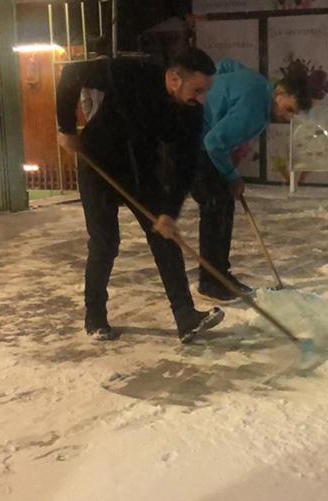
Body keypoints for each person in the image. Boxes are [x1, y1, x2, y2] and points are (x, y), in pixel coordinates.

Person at [56, 47, 224, 344]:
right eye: (198, 89)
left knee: (164, 237)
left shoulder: (192, 113)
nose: (201, 99)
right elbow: (72, 73)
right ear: (174, 79)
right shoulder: (131, 73)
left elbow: (185, 165)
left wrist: (169, 212)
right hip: (99, 164)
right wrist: (67, 129)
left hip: (140, 173)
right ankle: (95, 316)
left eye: (205, 92)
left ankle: (185, 317)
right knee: (105, 243)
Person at [192, 59, 313, 302]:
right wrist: (233, 177)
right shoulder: (255, 110)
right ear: (279, 93)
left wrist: (216, 94)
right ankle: (210, 281)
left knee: (223, 203)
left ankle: (220, 274)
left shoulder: (257, 81)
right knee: (215, 206)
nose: (289, 119)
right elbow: (214, 143)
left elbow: (226, 66)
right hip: (193, 141)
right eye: (288, 110)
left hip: (200, 134)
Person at [79, 36, 111, 123]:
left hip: (96, 119)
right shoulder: (117, 68)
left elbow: (85, 100)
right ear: (109, 48)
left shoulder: (88, 70)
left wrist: (90, 117)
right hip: (115, 119)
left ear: (95, 51)